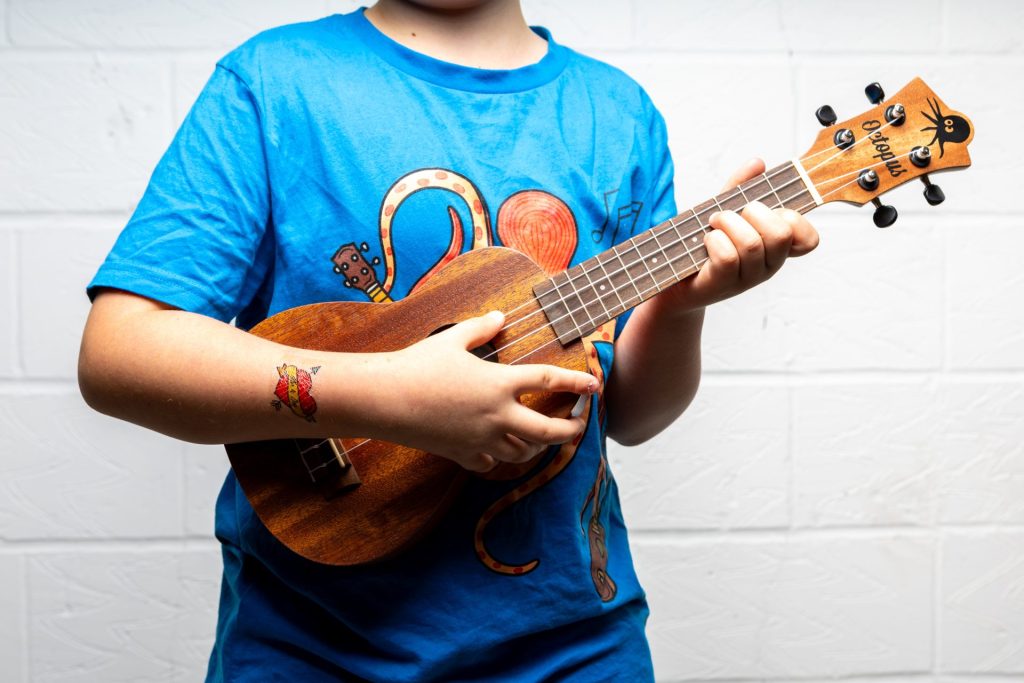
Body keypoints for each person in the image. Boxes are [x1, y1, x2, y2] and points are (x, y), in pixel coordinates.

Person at [78, 0, 819, 679]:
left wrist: (683, 305)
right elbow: (119, 352)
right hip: (307, 652)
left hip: (578, 653)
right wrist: (390, 398)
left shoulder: (616, 113)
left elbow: (628, 412)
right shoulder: (273, 83)